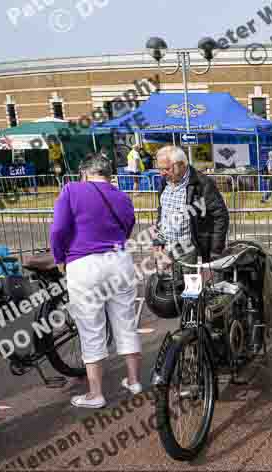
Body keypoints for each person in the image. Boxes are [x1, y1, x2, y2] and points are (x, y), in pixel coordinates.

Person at [50, 153, 142, 409]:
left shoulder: (72, 190)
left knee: (91, 328)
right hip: (119, 260)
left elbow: (58, 230)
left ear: (84, 172)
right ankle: (134, 381)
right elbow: (128, 226)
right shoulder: (122, 196)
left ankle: (96, 393)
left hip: (84, 264)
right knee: (126, 321)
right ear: (108, 173)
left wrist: (60, 257)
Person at [151, 145, 229, 276]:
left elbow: (220, 216)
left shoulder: (202, 183)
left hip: (188, 248)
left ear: (181, 165)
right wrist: (158, 240)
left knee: (190, 289)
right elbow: (162, 212)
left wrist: (215, 251)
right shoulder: (165, 181)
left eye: (166, 168)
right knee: (168, 289)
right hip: (167, 248)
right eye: (160, 169)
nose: (162, 173)